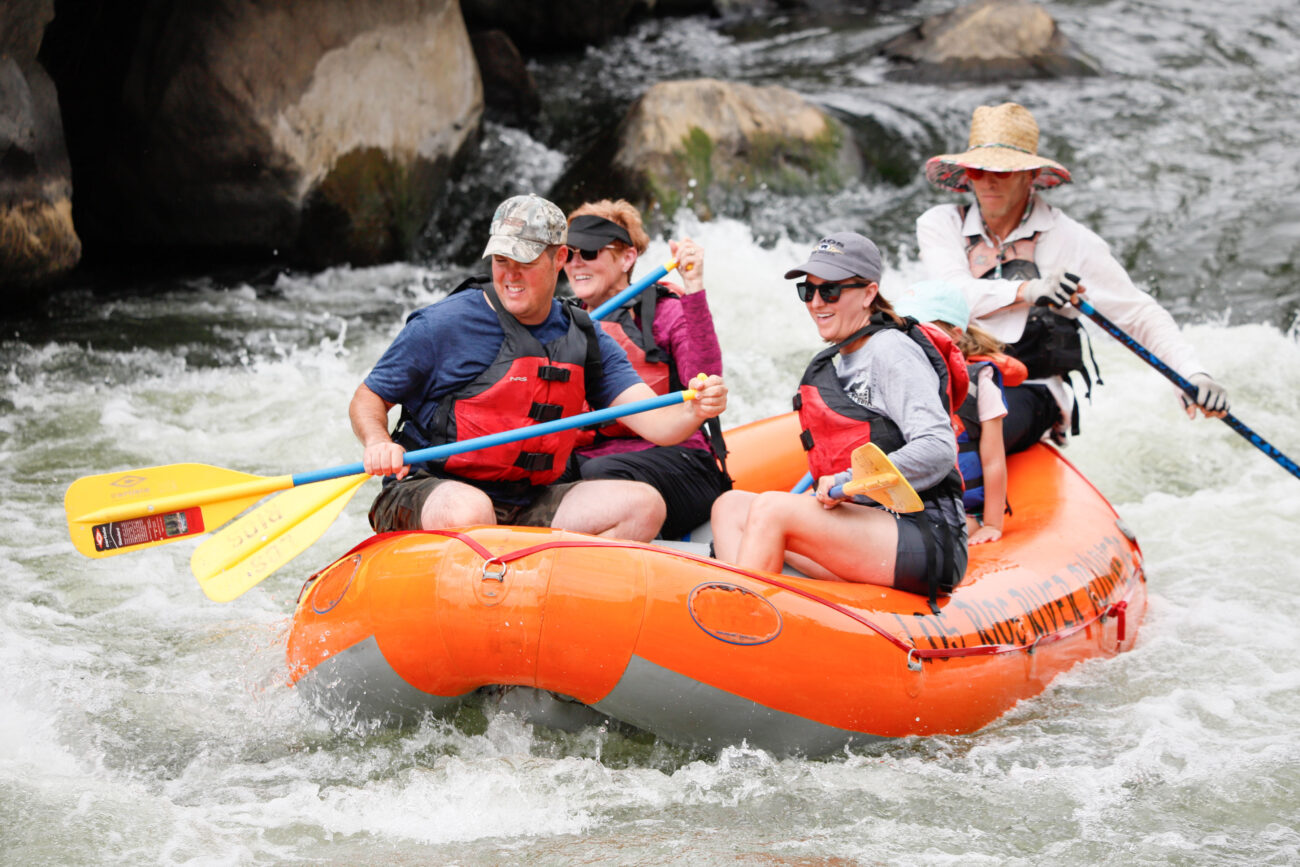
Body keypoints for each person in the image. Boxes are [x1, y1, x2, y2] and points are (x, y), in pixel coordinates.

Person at [349, 193, 728, 542]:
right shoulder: (444, 324)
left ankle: (559, 596)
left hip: (524, 499)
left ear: (558, 258)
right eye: (501, 260)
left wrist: (696, 409)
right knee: (471, 509)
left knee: (644, 505)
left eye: (525, 262)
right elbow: (369, 398)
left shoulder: (584, 336)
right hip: (430, 489)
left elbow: (659, 425)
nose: (510, 275)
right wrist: (378, 441)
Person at [916, 101, 1230, 454]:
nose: (987, 182)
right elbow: (954, 294)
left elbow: (1138, 315)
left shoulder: (1071, 239)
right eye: (976, 171)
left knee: (959, 432)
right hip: (954, 378)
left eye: (1002, 172)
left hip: (1029, 388)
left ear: (1030, 176)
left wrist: (1193, 375)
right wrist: (1030, 290)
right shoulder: (940, 223)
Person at [710, 233, 968, 605]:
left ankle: (741, 619)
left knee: (772, 509)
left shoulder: (891, 351)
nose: (816, 303)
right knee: (729, 506)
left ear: (868, 294)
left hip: (925, 533)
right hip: (867, 525)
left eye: (830, 291)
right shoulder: (846, 354)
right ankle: (753, 609)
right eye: (808, 291)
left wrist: (850, 482)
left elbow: (938, 448)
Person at [561, 199, 731, 539]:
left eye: (590, 253)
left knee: (597, 472)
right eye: (569, 253)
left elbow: (704, 376)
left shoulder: (663, 311)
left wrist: (693, 286)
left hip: (680, 464)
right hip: (589, 459)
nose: (576, 263)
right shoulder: (561, 321)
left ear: (627, 258)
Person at [894, 280, 1026, 545]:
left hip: (962, 512)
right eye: (900, 328)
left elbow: (993, 461)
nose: (908, 338)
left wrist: (991, 524)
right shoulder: (897, 379)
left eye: (918, 328)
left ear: (954, 334)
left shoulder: (980, 386)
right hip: (910, 506)